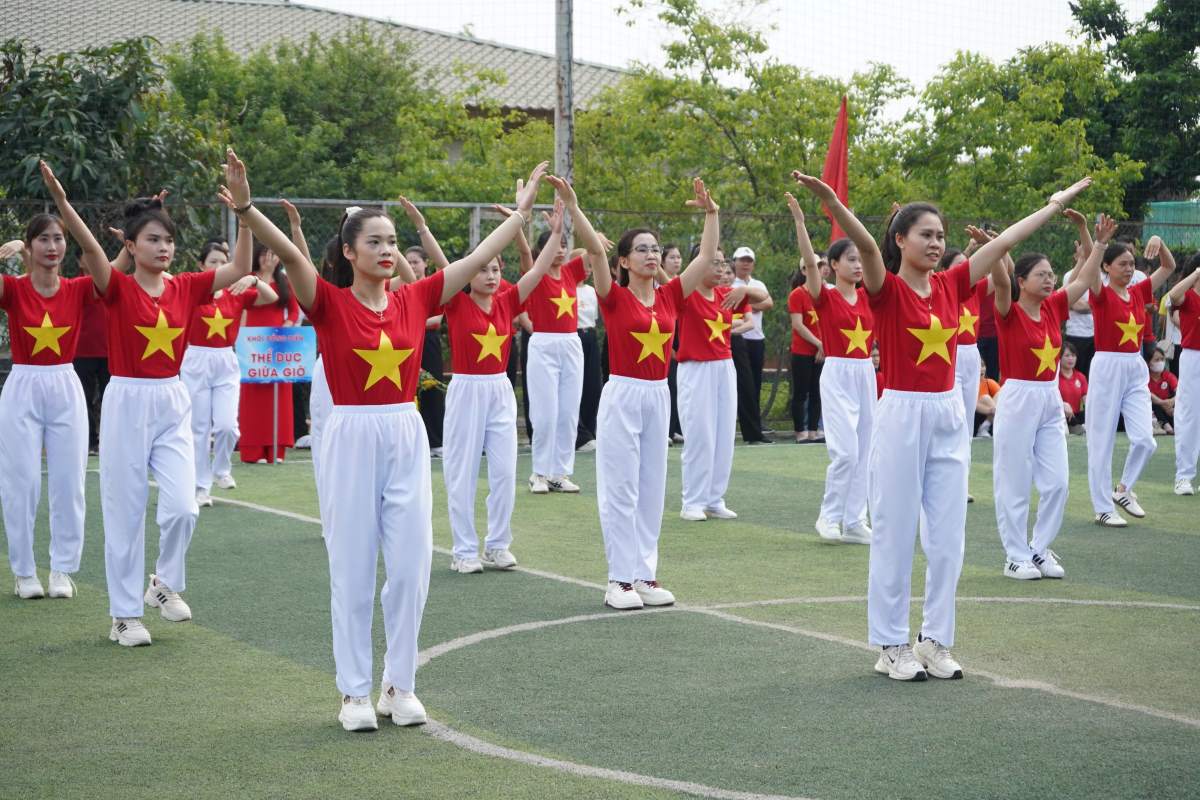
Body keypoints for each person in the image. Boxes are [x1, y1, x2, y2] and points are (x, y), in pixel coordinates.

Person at [225, 147, 548, 731]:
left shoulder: (416, 297)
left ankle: (399, 686)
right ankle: (353, 693)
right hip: (350, 434)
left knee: (411, 566)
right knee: (351, 565)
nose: (387, 249)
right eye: (374, 241)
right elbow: (294, 255)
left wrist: (521, 215)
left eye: (392, 240)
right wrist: (246, 207)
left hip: (404, 431)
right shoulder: (328, 302)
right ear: (349, 252)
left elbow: (480, 255)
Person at [793, 169, 1093, 682]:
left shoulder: (954, 282)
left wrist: (1053, 204)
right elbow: (865, 245)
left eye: (940, 235)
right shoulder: (884, 288)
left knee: (948, 535)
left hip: (947, 412)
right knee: (893, 528)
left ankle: (934, 639)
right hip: (902, 412)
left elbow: (1007, 241)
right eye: (925, 235)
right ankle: (890, 644)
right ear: (901, 240)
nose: (936, 243)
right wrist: (834, 205)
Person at [41, 159, 252, 646]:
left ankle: (162, 583)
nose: (163, 248)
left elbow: (240, 267)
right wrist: (63, 204)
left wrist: (243, 212)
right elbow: (90, 249)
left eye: (169, 240)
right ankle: (124, 615)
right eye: (153, 240)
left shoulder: (187, 286)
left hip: (172, 398)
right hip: (127, 401)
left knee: (183, 507)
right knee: (126, 510)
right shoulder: (116, 288)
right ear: (131, 246)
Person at [550, 174, 718, 611]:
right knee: (620, 488)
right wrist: (572, 203)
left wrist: (712, 214)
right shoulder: (612, 296)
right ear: (624, 260)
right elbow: (593, 248)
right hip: (623, 394)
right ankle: (618, 579)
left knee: (651, 487)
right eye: (641, 249)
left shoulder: (670, 297)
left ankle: (644, 574)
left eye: (655, 248)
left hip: (658, 394)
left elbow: (703, 259)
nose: (651, 254)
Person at [443, 199, 563, 574]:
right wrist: (423, 230)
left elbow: (539, 269)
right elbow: (442, 265)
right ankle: (464, 549)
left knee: (504, 470)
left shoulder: (508, 301)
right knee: (461, 471)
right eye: (482, 269)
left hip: (499, 391)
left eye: (496, 269)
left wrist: (557, 231)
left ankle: (497, 545)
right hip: (466, 389)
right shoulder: (455, 304)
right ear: (468, 275)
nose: (491, 275)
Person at [990, 223, 1105, 581]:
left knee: (1057, 483)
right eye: (1041, 274)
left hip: (1048, 398)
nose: (1050, 279)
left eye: (1052, 274)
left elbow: (1085, 280)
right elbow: (1001, 280)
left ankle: (1038, 548)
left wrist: (1098, 243)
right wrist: (994, 249)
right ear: (1021, 281)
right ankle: (1014, 555)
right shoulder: (1008, 310)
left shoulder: (1055, 307)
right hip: (1017, 397)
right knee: (1015, 480)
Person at [0, 215, 94, 600]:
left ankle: (61, 569)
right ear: (28, 245)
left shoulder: (78, 289)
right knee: (22, 482)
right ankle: (24, 571)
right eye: (42, 239)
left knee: (70, 481)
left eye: (58, 238)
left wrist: (136, 230)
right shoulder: (13, 289)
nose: (52, 246)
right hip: (22, 384)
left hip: (65, 384)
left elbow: (116, 271)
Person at [787, 193, 874, 543]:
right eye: (850, 260)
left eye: (860, 260)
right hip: (837, 372)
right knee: (846, 452)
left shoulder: (871, 296)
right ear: (833, 265)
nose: (857, 265)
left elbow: (886, 262)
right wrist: (800, 222)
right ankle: (829, 516)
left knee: (866, 451)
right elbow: (809, 264)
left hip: (866, 373)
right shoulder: (825, 297)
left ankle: (855, 520)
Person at [1085, 235, 1177, 527]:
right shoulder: (1100, 293)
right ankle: (1102, 508)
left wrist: (1159, 241)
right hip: (1107, 366)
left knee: (1145, 440)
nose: (1128, 268)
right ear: (1107, 267)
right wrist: (1093, 239)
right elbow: (1089, 271)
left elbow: (1169, 266)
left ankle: (1123, 489)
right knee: (1101, 441)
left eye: (1131, 264)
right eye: (1122, 264)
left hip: (1135, 366)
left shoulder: (1138, 292)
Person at [180, 236, 278, 507]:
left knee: (226, 426)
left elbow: (272, 297)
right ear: (201, 265)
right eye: (213, 262)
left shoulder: (236, 292)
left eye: (224, 262)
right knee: (198, 428)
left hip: (226, 360)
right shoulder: (192, 291)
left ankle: (221, 469)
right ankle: (201, 487)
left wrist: (254, 279)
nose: (220, 267)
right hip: (196, 359)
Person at [674, 244, 764, 522]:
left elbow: (764, 296)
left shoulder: (727, 294)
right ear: (697, 266)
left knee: (724, 435)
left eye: (723, 263)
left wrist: (745, 290)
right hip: (695, 368)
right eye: (714, 263)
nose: (722, 269)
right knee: (700, 434)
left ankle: (714, 498)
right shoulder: (685, 294)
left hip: (724, 366)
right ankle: (692, 500)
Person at [523, 222, 588, 494]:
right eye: (554, 245)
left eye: (563, 245)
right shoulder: (535, 275)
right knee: (545, 412)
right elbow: (525, 253)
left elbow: (595, 251)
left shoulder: (572, 272)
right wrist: (519, 220)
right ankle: (539, 473)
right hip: (543, 343)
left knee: (568, 413)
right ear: (542, 250)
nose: (560, 250)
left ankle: (559, 473)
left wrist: (576, 221)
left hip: (571, 343)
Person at [238, 243, 300, 463]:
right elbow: (241, 307)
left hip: (277, 342)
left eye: (273, 254)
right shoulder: (248, 278)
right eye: (264, 254)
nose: (268, 258)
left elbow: (293, 309)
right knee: (253, 397)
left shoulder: (284, 281)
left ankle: (276, 449)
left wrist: (288, 325)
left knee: (279, 394)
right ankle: (253, 450)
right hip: (252, 344)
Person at [406, 244, 449, 457]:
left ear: (425, 263)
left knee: (432, 389)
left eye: (415, 261)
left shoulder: (431, 286)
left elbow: (436, 319)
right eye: (408, 262)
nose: (412, 265)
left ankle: (435, 441)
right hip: (406, 342)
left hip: (428, 341)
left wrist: (410, 320)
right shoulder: (400, 287)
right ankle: (413, 442)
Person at [1167, 257, 1200, 494]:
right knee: (1189, 416)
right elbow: (1172, 297)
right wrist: (1196, 273)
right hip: (1193, 357)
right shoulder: (1188, 297)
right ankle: (1184, 476)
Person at [731, 247, 773, 417]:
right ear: (734, 262)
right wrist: (752, 305)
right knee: (738, 382)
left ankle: (755, 420)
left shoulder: (758, 284)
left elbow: (768, 303)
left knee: (755, 382)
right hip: (737, 337)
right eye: (742, 260)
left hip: (756, 338)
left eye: (749, 261)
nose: (745, 264)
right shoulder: (730, 283)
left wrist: (748, 306)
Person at [787, 267, 824, 444]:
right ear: (804, 269)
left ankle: (813, 430)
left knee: (818, 392)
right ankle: (800, 432)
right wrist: (819, 344)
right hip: (802, 351)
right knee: (801, 393)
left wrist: (823, 347)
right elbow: (798, 325)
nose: (821, 270)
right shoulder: (797, 294)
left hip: (821, 352)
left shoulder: (826, 294)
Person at [662, 243, 685, 444]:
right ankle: (665, 430)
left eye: (679, 257)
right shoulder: (659, 284)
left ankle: (675, 427)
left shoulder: (684, 283)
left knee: (678, 386)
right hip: (664, 336)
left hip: (682, 334)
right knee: (667, 384)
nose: (677, 260)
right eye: (672, 257)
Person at [1058, 342, 1088, 434]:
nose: (1071, 359)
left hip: (1076, 419)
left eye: (1073, 355)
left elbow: (1087, 400)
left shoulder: (1081, 377)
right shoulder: (1054, 378)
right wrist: (1062, 404)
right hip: (1059, 417)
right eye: (1067, 355)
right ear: (1059, 358)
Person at [1148, 347, 1178, 434]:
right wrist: (1162, 403)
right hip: (1155, 410)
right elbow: (1147, 394)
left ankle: (1173, 424)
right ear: (1149, 363)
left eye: (1162, 359)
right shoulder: (1145, 377)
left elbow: (1180, 392)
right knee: (1153, 403)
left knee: (1179, 402)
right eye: (1156, 360)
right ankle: (1165, 425)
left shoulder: (1168, 376)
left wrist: (1171, 402)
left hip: (1169, 409)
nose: (1160, 362)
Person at [975, 361, 1000, 437]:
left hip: (991, 416)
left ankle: (984, 427)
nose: (981, 369)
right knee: (986, 398)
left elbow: (1002, 398)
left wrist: (994, 410)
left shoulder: (989, 383)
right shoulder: (968, 385)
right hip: (976, 416)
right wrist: (990, 410)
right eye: (978, 366)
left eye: (982, 366)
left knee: (1001, 392)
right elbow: (970, 404)